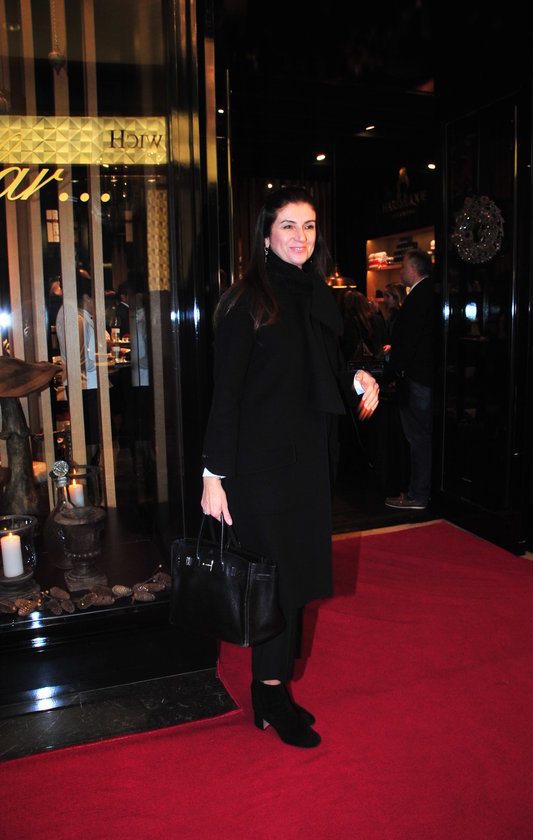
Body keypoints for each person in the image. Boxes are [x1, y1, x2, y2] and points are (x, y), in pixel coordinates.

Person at [200, 186, 379, 749]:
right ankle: (272, 695)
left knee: (294, 579)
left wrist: (356, 377)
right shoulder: (248, 301)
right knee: (273, 585)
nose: (301, 237)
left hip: (307, 466)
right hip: (259, 470)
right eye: (288, 226)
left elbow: (321, 367)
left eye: (309, 226)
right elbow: (226, 394)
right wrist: (212, 475)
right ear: (265, 236)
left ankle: (272, 690)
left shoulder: (317, 295)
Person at [384, 248, 435, 510]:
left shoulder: (419, 297)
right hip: (421, 376)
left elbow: (409, 341)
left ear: (413, 268)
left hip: (417, 378)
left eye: (403, 266)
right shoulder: (429, 293)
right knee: (419, 436)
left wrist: (396, 367)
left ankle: (418, 494)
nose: (401, 270)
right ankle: (418, 491)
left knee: (418, 437)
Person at [55, 268, 108, 464]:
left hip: (83, 383)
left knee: (89, 438)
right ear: (86, 297)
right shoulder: (76, 318)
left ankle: (88, 475)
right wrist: (102, 361)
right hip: (85, 385)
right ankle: (88, 477)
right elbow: (79, 359)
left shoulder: (71, 314)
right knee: (90, 440)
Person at [382, 281, 407, 358]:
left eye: (388, 296)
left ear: (396, 297)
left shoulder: (402, 315)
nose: (385, 300)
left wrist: (392, 347)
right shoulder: (394, 314)